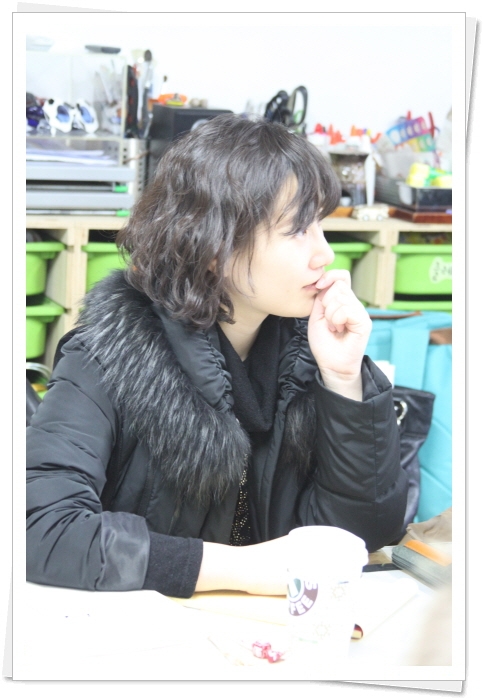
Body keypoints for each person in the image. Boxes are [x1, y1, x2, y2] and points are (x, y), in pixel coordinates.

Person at [26, 114, 408, 599]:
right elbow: (39, 527)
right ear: (212, 247)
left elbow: (364, 537)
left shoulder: (310, 353)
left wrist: (344, 379)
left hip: (272, 630)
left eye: (320, 225)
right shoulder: (107, 352)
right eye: (296, 230)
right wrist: (242, 569)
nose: (325, 254)